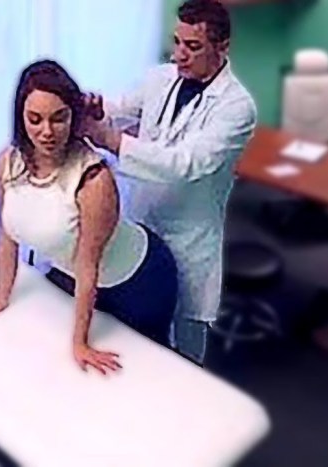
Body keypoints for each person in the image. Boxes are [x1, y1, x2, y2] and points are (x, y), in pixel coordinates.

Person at [0, 59, 179, 376]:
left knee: (150, 373)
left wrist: (80, 343)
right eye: (35, 119)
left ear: (73, 117)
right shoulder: (7, 163)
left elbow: (88, 265)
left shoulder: (93, 179)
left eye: (59, 118)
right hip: (71, 273)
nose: (47, 132)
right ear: (20, 117)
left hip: (138, 281)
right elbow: (6, 235)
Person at [80, 0, 258, 365]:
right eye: (177, 42)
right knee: (135, 329)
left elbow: (186, 163)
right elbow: (121, 108)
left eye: (193, 46)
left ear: (222, 48)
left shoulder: (236, 108)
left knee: (185, 353)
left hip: (187, 241)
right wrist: (99, 110)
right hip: (141, 226)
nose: (179, 55)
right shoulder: (160, 78)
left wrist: (111, 140)